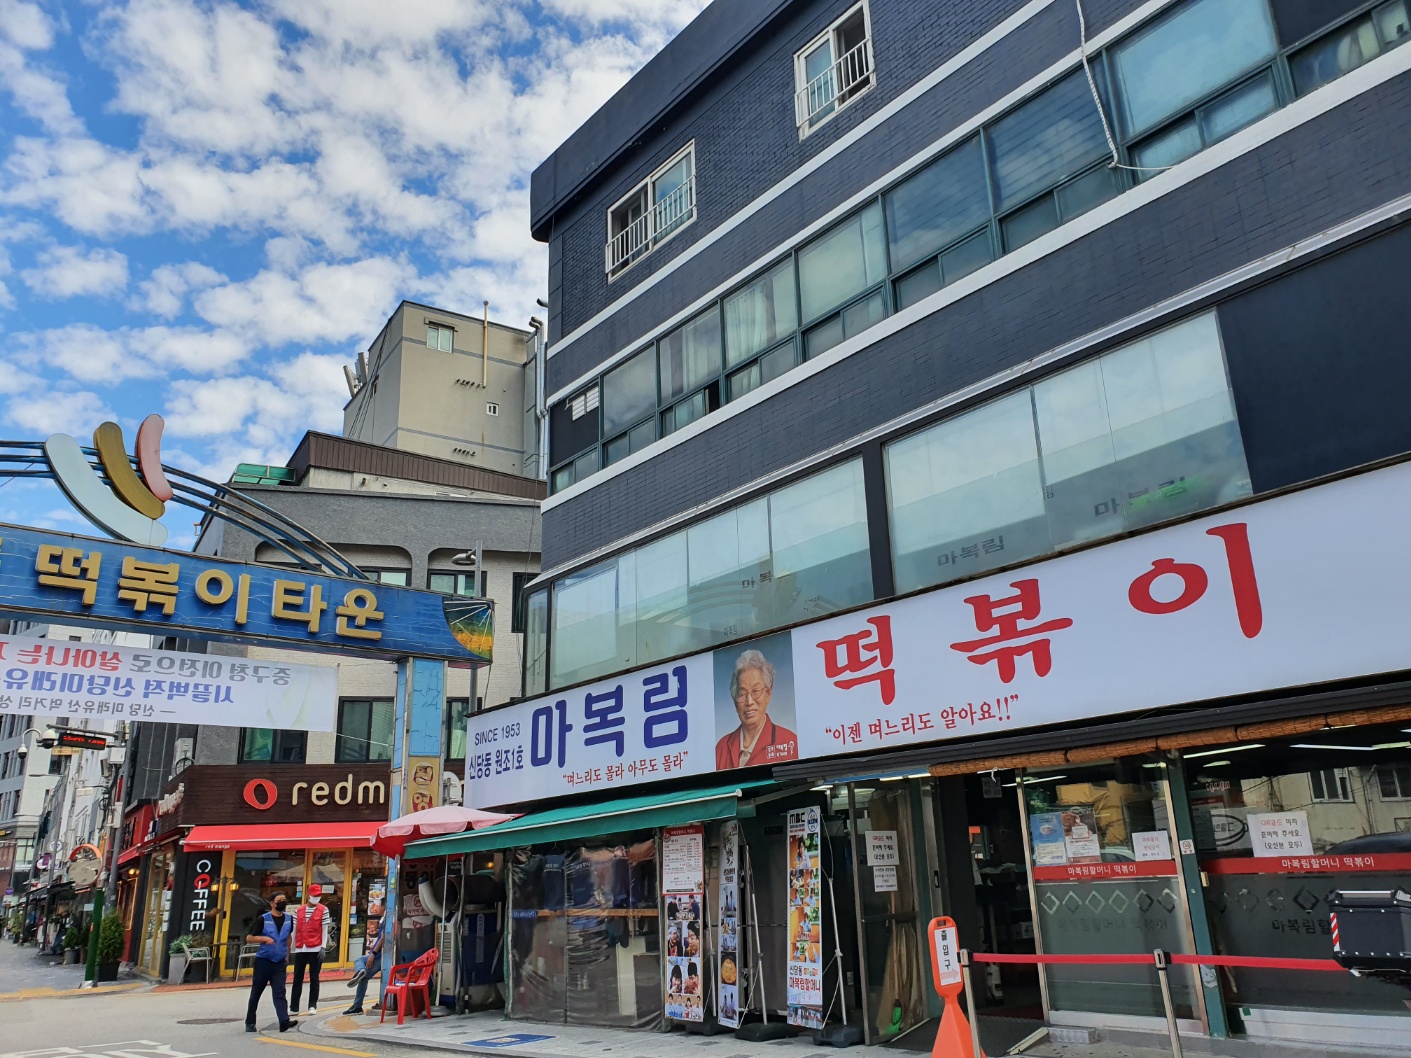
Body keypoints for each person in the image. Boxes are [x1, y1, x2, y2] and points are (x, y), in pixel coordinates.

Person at [715, 649, 798, 769]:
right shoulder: (721, 748)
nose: (749, 702)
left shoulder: (790, 743)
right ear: (734, 699)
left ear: (768, 694)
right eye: (742, 694)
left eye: (756, 691)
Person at [245, 893, 294, 1033]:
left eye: (284, 900)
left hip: (279, 962)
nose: (282, 902)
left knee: (280, 992)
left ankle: (284, 1021)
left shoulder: (289, 919)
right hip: (264, 961)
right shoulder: (263, 919)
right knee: (256, 992)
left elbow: (289, 937)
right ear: (272, 903)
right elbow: (249, 938)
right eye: (280, 900)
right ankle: (250, 1022)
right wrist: (264, 939)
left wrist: (287, 954)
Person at [289, 884, 330, 1016]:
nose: (316, 898)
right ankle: (294, 1007)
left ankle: (312, 1005)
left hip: (316, 948)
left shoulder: (324, 910)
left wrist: (323, 947)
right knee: (297, 978)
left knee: (314, 978)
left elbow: (325, 931)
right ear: (308, 895)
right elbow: (294, 931)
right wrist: (292, 948)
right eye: (314, 895)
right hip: (301, 948)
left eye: (318, 896)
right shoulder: (299, 910)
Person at [343, 915, 385, 1015]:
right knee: (363, 978)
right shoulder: (383, 918)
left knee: (359, 962)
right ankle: (357, 1006)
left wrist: (373, 954)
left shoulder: (389, 916)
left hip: (380, 956)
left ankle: (360, 971)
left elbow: (383, 937)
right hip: (379, 954)